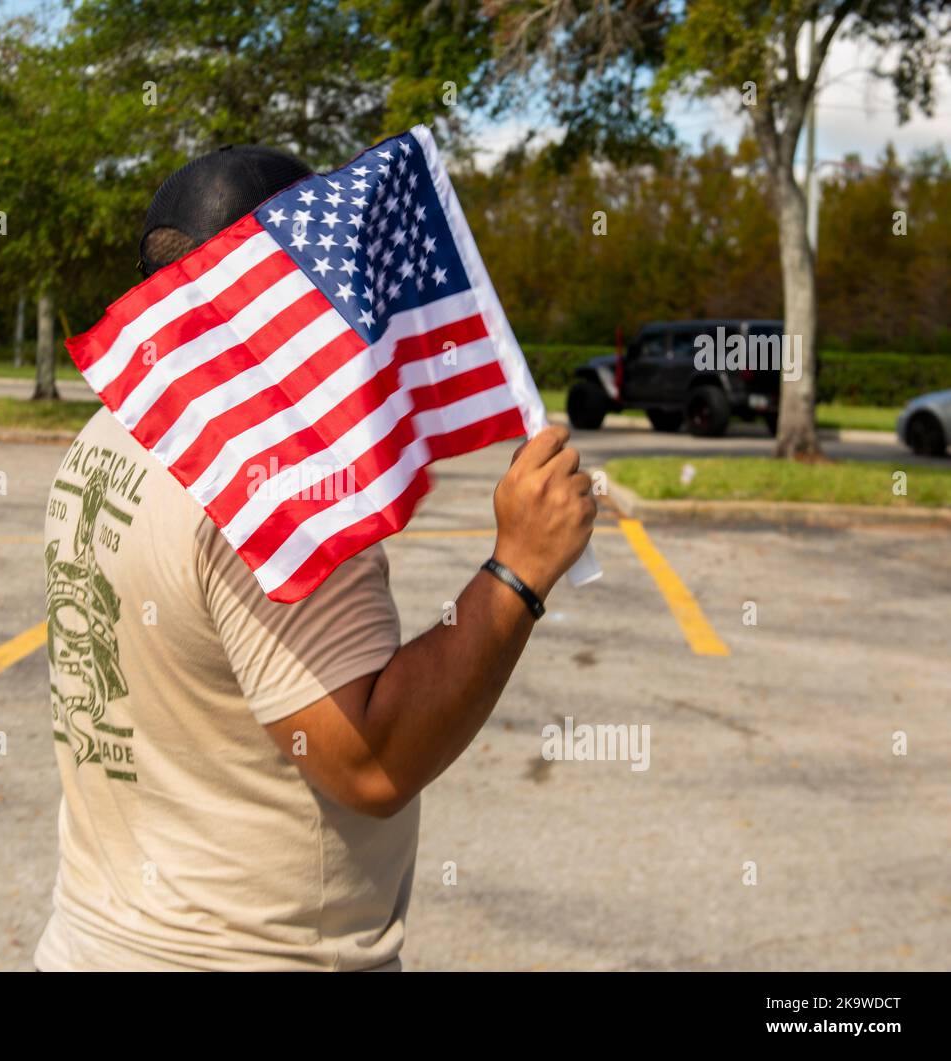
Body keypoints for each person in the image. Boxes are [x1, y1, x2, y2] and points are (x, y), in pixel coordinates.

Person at [34, 146, 596, 972]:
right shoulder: (272, 482)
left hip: (91, 942)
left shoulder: (108, 434)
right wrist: (520, 568)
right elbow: (368, 761)